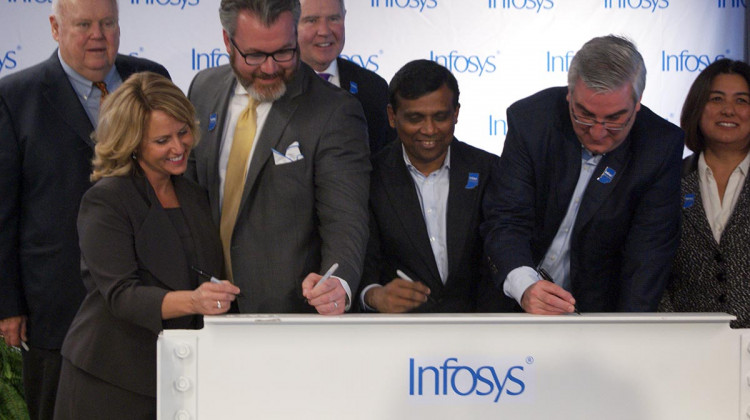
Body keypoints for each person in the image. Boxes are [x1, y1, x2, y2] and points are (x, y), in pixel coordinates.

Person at [0, 0, 169, 417]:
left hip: (148, 298)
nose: (98, 35)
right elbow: (3, 210)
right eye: (84, 24)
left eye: (108, 23)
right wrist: (8, 303)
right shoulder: (14, 97)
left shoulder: (151, 79)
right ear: (56, 28)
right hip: (57, 303)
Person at [52, 72, 239, 419]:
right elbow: (122, 295)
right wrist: (195, 300)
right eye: (162, 140)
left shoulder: (193, 195)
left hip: (178, 371)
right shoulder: (106, 200)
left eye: (183, 132)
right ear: (132, 142)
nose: (179, 147)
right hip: (111, 377)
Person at [186, 0, 370, 315]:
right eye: (255, 55)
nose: (270, 68)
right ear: (227, 42)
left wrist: (338, 281)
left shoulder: (333, 112)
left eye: (284, 52)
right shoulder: (203, 88)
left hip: (288, 317)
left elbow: (345, 218)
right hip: (205, 313)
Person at [481, 35, 684, 314]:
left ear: (637, 104)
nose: (598, 132)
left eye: (615, 119)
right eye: (584, 115)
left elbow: (648, 257)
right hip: (509, 302)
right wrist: (525, 286)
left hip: (597, 313)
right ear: (569, 95)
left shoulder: (659, 146)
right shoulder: (532, 120)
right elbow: (506, 218)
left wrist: (628, 336)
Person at [358, 59, 510, 313]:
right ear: (392, 117)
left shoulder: (489, 170)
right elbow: (363, 260)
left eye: (440, 117)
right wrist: (373, 296)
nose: (429, 130)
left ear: (456, 114)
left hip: (482, 336)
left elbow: (503, 251)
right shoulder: (369, 177)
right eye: (415, 118)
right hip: (399, 338)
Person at [659, 59, 750, 328]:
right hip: (687, 346)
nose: (729, 110)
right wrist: (671, 330)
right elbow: (649, 268)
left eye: (742, 101)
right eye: (716, 98)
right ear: (698, 107)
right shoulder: (666, 181)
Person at [298, 0, 394, 153]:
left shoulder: (373, 88)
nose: (324, 31)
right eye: (311, 20)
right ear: (288, 23)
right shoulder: (274, 87)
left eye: (333, 19)